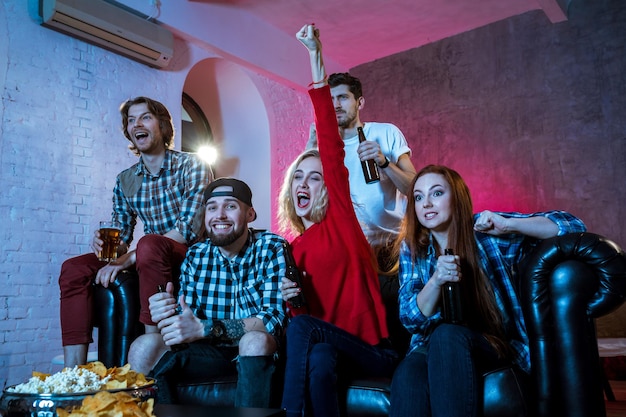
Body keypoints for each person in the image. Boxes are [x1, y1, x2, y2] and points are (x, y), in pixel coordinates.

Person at [388, 164, 587, 417]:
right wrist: (436, 280)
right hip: (429, 346)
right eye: (418, 197)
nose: (426, 203)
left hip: (490, 342)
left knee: (447, 335)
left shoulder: (486, 232)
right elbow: (410, 318)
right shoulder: (412, 248)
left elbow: (572, 226)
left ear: (456, 197)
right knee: (408, 372)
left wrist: (509, 225)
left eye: (436, 193)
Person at [278, 24, 399, 417]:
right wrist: (292, 300)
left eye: (316, 177)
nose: (305, 182)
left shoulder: (342, 222)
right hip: (329, 347)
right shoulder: (293, 248)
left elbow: (330, 144)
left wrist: (315, 57)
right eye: (298, 176)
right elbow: (305, 320)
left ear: (329, 187)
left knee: (306, 336)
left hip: (372, 352)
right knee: (319, 358)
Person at [58, 96, 212, 368]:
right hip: (147, 252)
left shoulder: (192, 165)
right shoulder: (126, 179)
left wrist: (130, 257)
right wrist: (109, 246)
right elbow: (121, 235)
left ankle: (153, 345)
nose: (136, 124)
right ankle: (75, 373)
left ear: (163, 126)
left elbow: (189, 228)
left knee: (148, 244)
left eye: (145, 117)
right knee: (73, 268)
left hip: (188, 253)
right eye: (131, 120)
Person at [127, 177, 287, 408]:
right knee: (143, 346)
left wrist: (206, 328)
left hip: (254, 353)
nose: (219, 215)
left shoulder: (271, 247)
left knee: (254, 341)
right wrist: (166, 313)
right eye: (212, 208)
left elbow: (274, 320)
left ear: (250, 215)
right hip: (208, 353)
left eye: (230, 206)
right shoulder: (196, 255)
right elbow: (187, 318)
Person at [305, 63, 417, 274]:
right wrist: (310, 148)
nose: (335, 105)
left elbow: (414, 188)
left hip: (390, 247)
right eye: (330, 99)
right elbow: (305, 201)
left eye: (343, 97)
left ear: (360, 102)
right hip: (345, 250)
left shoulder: (385, 132)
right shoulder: (323, 148)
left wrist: (384, 162)